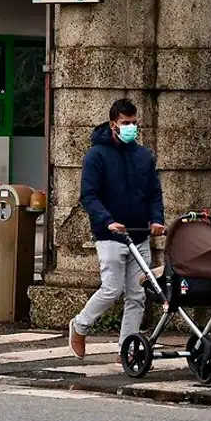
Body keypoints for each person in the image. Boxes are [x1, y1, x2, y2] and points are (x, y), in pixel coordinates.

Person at [68, 98, 166, 358]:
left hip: (139, 234)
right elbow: (89, 195)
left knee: (138, 294)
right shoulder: (96, 156)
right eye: (125, 123)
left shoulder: (143, 156)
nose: (130, 127)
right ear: (113, 124)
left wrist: (157, 219)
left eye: (134, 123)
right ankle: (80, 325)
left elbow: (154, 193)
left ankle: (128, 348)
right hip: (110, 235)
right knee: (111, 289)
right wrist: (107, 220)